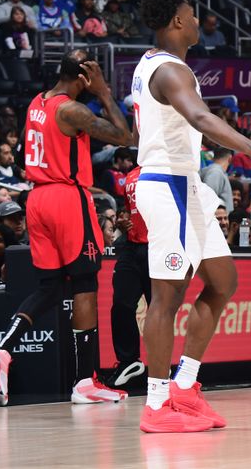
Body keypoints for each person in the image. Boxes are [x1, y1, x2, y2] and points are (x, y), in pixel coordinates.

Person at [133, 0, 251, 433]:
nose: (199, 22)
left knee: (223, 281)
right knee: (167, 297)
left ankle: (185, 384)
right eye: (193, 15)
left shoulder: (158, 64)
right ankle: (157, 404)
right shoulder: (168, 71)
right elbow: (201, 118)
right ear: (178, 22)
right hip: (167, 185)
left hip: (187, 185)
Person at [0, 50, 133, 407]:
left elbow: (19, 158)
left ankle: (2, 350)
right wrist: (105, 93)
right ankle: (85, 382)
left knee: (51, 285)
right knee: (84, 283)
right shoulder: (73, 110)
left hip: (36, 199)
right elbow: (124, 137)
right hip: (67, 199)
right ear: (83, 78)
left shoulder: (37, 102)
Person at [106, 165, 151, 388]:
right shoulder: (131, 175)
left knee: (159, 309)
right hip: (131, 247)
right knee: (121, 305)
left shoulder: (168, 168)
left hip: (158, 247)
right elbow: (129, 211)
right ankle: (128, 362)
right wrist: (123, 224)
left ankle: (163, 370)